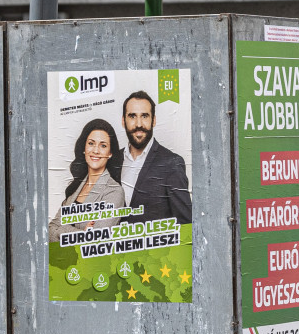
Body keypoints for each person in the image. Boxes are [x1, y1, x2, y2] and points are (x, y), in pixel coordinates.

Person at [119, 90, 192, 225]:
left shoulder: (172, 163)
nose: (139, 124)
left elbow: (186, 225)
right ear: (124, 121)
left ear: (154, 120)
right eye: (132, 116)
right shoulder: (112, 160)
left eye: (145, 116)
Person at [47, 118, 126, 242]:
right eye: (91, 143)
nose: (95, 150)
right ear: (84, 148)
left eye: (103, 145)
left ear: (110, 153)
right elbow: (50, 229)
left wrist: (62, 230)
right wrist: (80, 233)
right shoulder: (76, 187)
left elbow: (94, 239)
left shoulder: (114, 191)